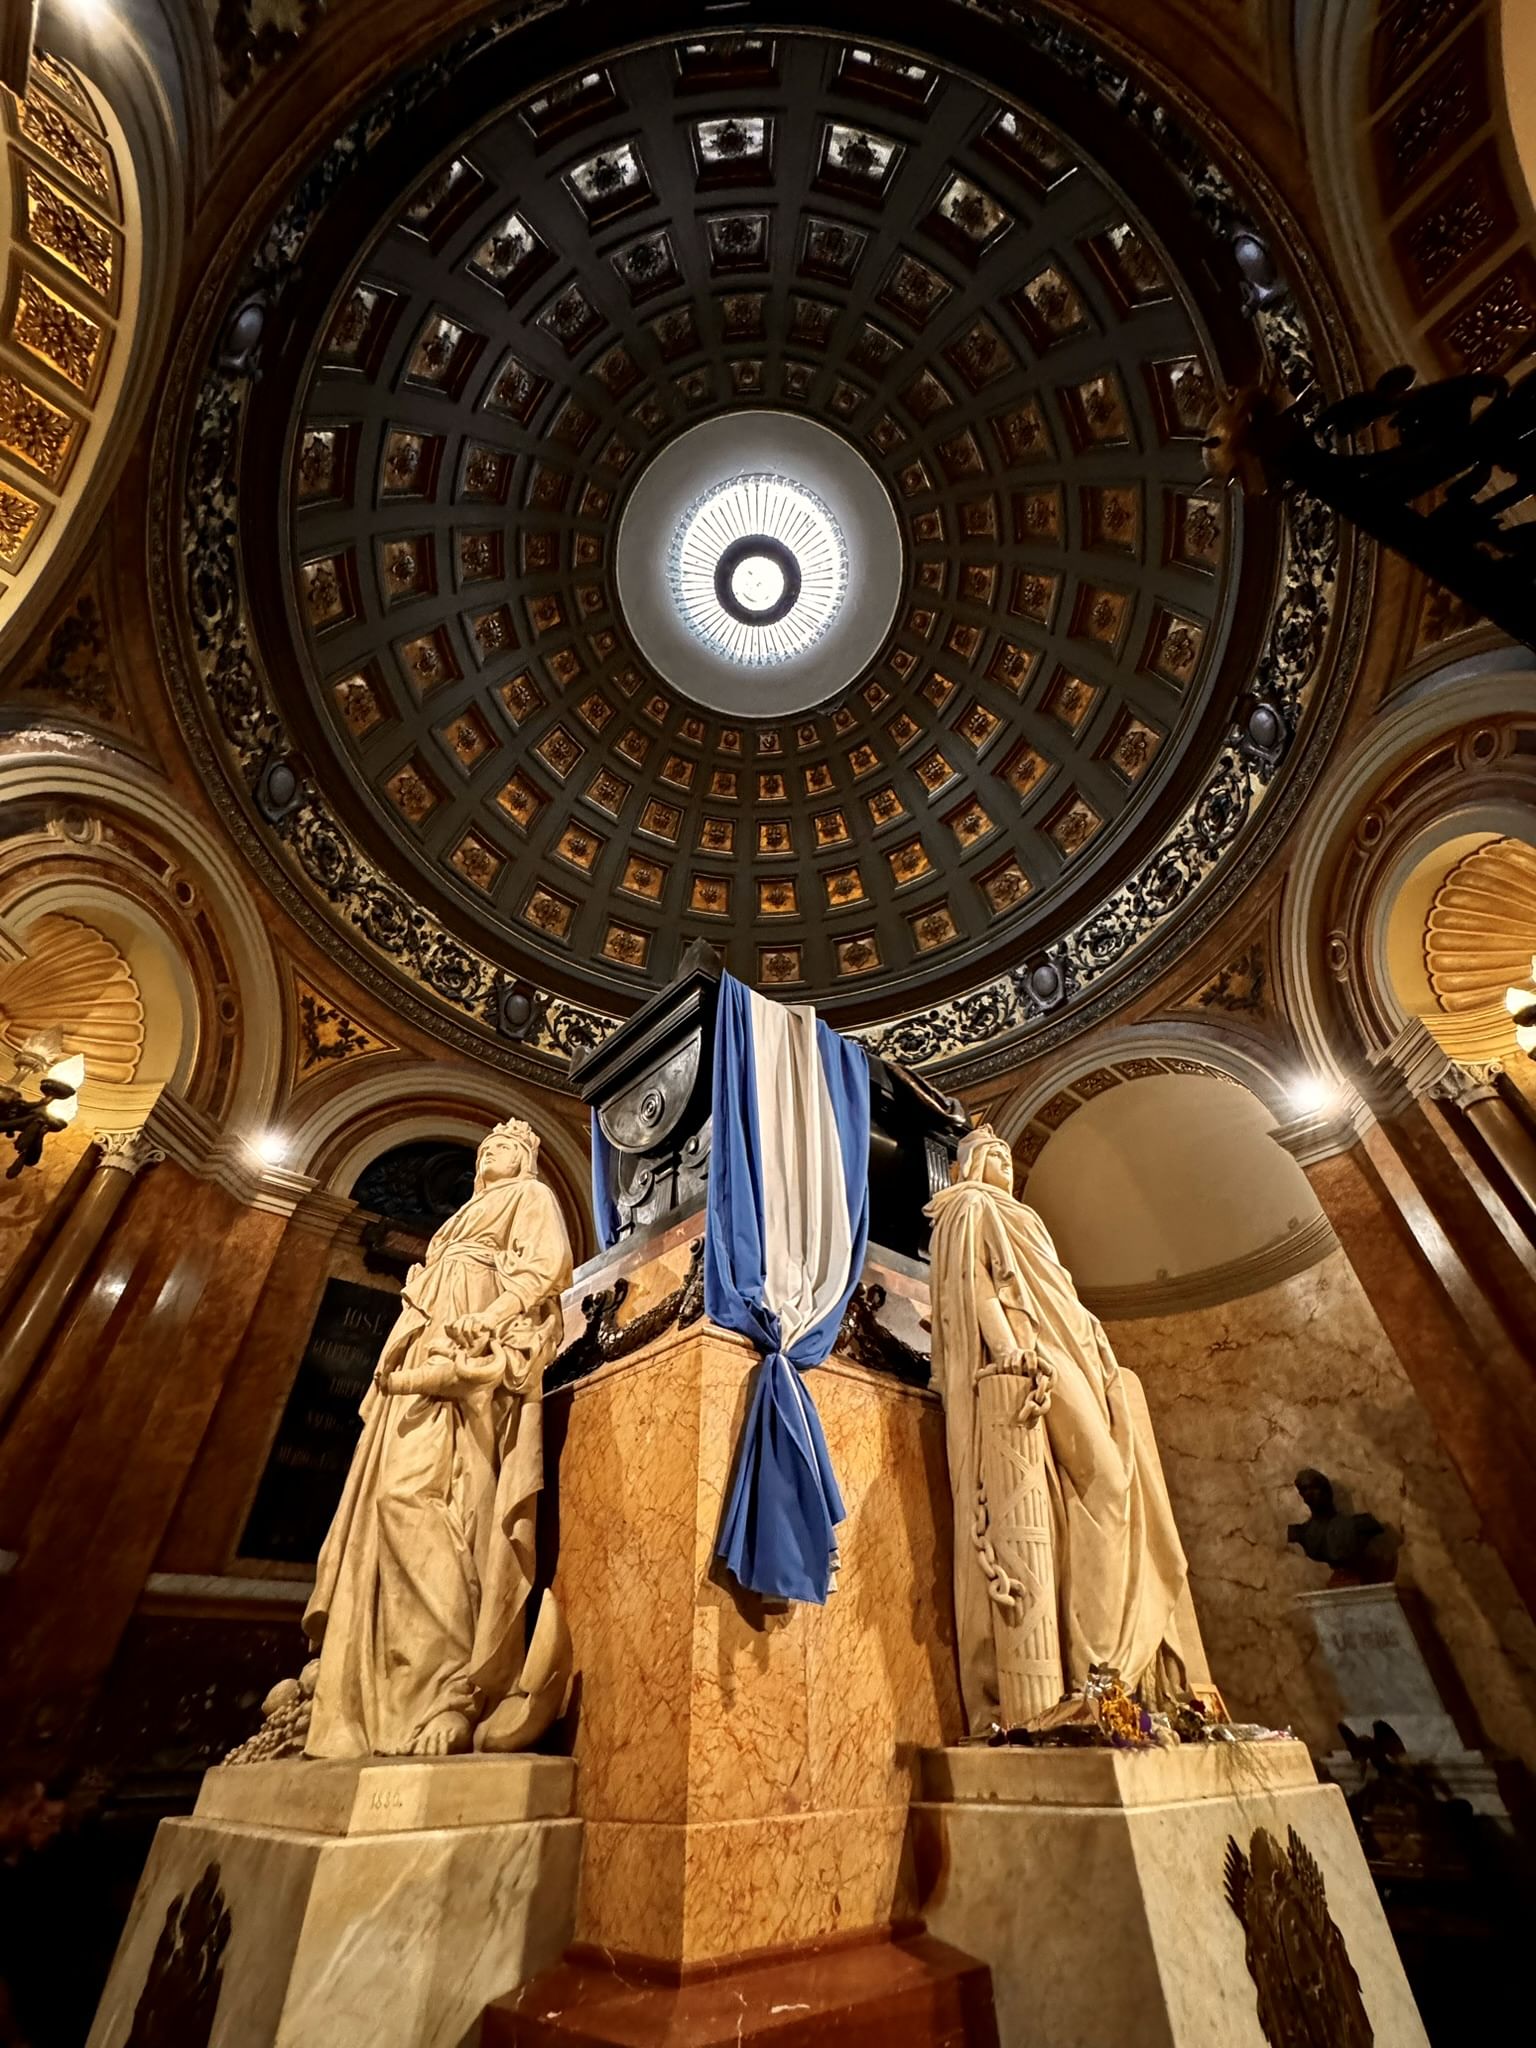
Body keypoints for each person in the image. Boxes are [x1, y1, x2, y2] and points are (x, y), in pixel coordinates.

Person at [302, 1117, 572, 1757]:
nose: (495, 1153)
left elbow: (545, 1269)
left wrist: (490, 1319)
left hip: (473, 1370)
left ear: (527, 1163)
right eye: (489, 1148)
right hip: (422, 1365)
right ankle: (375, 1703)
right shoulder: (458, 1223)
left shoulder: (528, 1199)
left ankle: (453, 1688)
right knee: (381, 1512)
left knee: (429, 1509)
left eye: (509, 1146)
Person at [926, 1124, 1189, 1731]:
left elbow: (1062, 1297)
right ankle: (1098, 1664)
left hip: (1073, 1350)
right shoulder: (969, 1206)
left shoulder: (1026, 1219)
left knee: (1105, 1486)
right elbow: (978, 1288)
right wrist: (1010, 1350)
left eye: (1008, 1158)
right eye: (993, 1155)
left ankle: (1098, 1673)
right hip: (1034, 1350)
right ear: (969, 1163)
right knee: (1105, 1479)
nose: (1005, 1166)